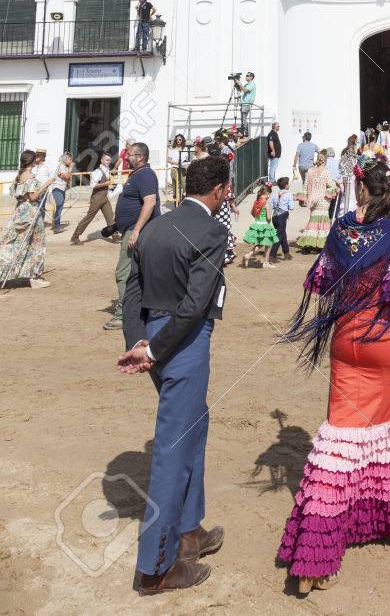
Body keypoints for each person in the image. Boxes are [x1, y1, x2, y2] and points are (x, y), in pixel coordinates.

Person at [277, 158, 390, 591]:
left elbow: (322, 281)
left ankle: (313, 563)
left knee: (340, 443)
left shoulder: (340, 228)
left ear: (359, 189)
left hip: (346, 341)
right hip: (385, 345)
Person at [118, 153, 230, 595]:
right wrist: (156, 348)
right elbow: (197, 304)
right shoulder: (211, 230)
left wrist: (139, 341)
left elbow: (133, 290)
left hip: (154, 335)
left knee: (193, 429)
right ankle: (155, 569)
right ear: (220, 190)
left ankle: (188, 532)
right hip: (183, 342)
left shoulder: (155, 226)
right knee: (171, 450)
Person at [103, 143, 160, 331]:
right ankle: (143, 309)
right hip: (132, 229)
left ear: (141, 157)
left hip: (138, 232)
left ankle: (123, 314)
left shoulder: (145, 174)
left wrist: (135, 230)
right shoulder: (137, 174)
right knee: (140, 272)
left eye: (129, 154)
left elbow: (150, 203)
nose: (126, 157)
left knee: (123, 272)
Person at [0, 149, 51, 288]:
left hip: (20, 211)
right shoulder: (30, 177)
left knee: (10, 242)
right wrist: (47, 183)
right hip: (31, 212)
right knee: (37, 243)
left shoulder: (20, 175)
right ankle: (35, 277)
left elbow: (16, 194)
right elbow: (33, 197)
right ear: (33, 161)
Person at [71, 152, 115, 243]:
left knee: (110, 216)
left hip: (104, 197)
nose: (108, 162)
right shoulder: (97, 172)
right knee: (89, 217)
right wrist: (105, 184)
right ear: (102, 160)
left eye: (110, 160)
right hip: (97, 198)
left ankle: (114, 235)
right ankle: (75, 237)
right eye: (107, 160)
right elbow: (93, 185)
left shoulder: (107, 169)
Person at [296, 151, 333, 252]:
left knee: (313, 221)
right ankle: (320, 245)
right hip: (323, 199)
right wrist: (333, 190)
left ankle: (309, 244)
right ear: (325, 160)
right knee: (323, 221)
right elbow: (330, 185)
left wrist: (303, 198)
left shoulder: (310, 170)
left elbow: (305, 185)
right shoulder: (326, 171)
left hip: (312, 199)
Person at [241, 185, 279, 268]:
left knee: (261, 244)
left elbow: (252, 213)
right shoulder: (266, 203)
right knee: (268, 244)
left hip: (257, 224)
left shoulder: (256, 201)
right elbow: (268, 218)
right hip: (264, 225)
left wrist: (258, 219)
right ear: (268, 194)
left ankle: (248, 255)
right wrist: (267, 221)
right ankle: (266, 262)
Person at [269, 176, 294, 263]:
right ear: (286, 185)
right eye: (288, 183)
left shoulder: (274, 194)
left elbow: (271, 205)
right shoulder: (289, 194)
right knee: (279, 235)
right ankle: (272, 255)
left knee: (282, 233)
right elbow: (291, 207)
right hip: (282, 216)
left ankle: (286, 253)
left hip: (274, 216)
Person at [48, 151, 74, 233]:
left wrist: (68, 174)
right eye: (70, 159)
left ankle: (56, 225)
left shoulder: (65, 167)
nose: (71, 161)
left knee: (60, 207)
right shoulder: (61, 166)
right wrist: (70, 169)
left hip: (62, 188)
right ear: (66, 159)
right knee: (59, 207)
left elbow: (68, 179)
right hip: (57, 188)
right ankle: (57, 226)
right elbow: (66, 176)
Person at [336, 135, 359, 217]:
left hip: (347, 177)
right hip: (349, 178)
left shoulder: (346, 152)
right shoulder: (350, 153)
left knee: (347, 199)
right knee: (349, 199)